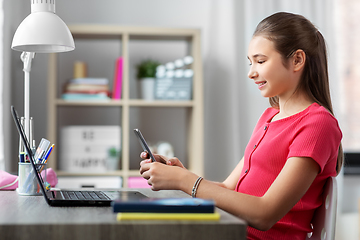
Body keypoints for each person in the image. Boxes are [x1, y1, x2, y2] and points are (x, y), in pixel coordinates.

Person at [139, 12, 343, 240]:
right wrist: (181, 175)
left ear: (297, 60)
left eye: (261, 61)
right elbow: (228, 189)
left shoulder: (317, 125)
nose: (251, 72)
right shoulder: (269, 117)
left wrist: (185, 182)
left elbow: (265, 214)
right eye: (250, 62)